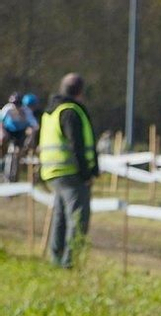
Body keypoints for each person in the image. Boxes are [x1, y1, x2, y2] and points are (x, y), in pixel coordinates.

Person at [38, 74, 97, 268]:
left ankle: (56, 258)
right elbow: (77, 145)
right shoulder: (71, 112)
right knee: (78, 218)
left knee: (61, 217)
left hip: (53, 172)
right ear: (80, 92)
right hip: (72, 172)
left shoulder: (51, 112)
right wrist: (87, 174)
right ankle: (70, 263)